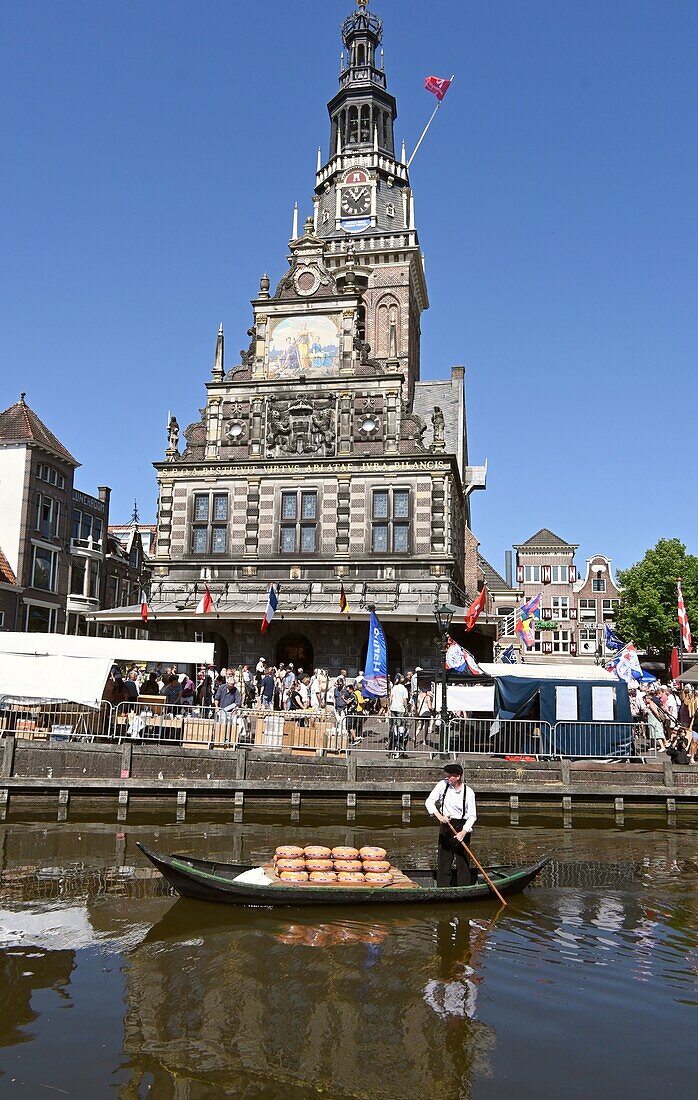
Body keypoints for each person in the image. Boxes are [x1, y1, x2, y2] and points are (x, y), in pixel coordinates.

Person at [425, 763, 477, 887]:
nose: (447, 778)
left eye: (449, 776)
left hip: (461, 826)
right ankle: (443, 887)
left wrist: (463, 832)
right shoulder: (443, 785)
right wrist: (439, 816)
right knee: (444, 859)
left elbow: (472, 816)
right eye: (446, 776)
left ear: (458, 776)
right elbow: (429, 802)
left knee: (462, 861)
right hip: (446, 825)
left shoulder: (468, 792)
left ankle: (464, 887)